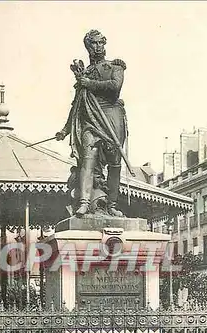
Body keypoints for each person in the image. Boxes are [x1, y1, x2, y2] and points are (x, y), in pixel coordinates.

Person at [56, 29, 127, 217]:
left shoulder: (115, 66)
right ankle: (84, 203)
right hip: (90, 121)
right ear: (88, 47)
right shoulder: (84, 74)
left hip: (111, 117)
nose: (98, 47)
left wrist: (89, 83)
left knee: (114, 162)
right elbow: (77, 103)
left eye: (101, 43)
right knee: (87, 160)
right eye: (94, 44)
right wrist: (65, 129)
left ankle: (111, 204)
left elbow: (115, 87)